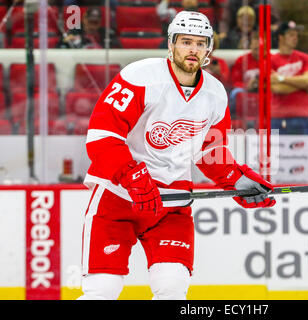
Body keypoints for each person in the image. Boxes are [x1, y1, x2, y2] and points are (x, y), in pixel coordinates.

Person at [77, 10, 275, 300]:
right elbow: (101, 137)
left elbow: (210, 151)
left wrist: (236, 179)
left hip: (172, 205)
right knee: (102, 289)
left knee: (172, 287)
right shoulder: (141, 76)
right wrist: (132, 176)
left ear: (209, 48)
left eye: (199, 43)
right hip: (118, 197)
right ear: (171, 44)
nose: (192, 49)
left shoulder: (216, 94)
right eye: (185, 42)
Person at [270, 21, 308, 135]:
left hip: (302, 116)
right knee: (276, 153)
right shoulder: (270, 60)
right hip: (277, 118)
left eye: (296, 35)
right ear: (280, 37)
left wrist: (281, 78)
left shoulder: (304, 58)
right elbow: (276, 88)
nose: (295, 38)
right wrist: (301, 84)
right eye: (291, 35)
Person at [229, 31, 261, 120]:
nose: (258, 52)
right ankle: (231, 117)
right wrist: (247, 86)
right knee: (235, 93)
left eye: (261, 48)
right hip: (245, 89)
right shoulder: (242, 60)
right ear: (250, 46)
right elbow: (234, 82)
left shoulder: (270, 59)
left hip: (264, 90)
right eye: (255, 49)